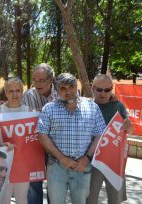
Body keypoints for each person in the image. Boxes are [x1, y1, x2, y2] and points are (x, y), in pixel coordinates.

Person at [38, 73, 106, 204]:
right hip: (56, 166)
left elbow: (100, 134)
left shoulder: (92, 107)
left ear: (77, 86)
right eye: (63, 88)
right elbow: (42, 135)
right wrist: (62, 159)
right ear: (57, 90)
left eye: (71, 86)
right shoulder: (49, 109)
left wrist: (86, 158)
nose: (68, 91)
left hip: (82, 166)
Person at [86, 74, 133, 204]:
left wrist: (129, 126)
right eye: (99, 89)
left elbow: (129, 130)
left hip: (115, 160)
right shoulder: (86, 107)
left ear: (111, 89)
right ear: (92, 88)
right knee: (89, 198)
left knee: (115, 199)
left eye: (107, 90)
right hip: (93, 160)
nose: (103, 93)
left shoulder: (118, 106)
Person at [22, 63, 56, 204]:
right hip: (34, 146)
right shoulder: (28, 95)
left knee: (54, 184)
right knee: (34, 184)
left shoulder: (61, 93)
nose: (37, 84)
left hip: (56, 147)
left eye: (41, 80)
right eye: (35, 80)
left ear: (51, 79)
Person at [0, 77, 30, 204]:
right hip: (3, 163)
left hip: (22, 163)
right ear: (5, 93)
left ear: (22, 92)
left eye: (18, 90)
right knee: (4, 199)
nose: (15, 94)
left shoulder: (29, 112)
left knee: (22, 198)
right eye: (11, 91)